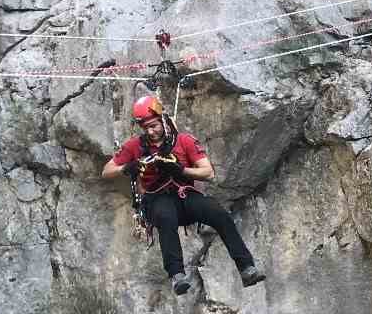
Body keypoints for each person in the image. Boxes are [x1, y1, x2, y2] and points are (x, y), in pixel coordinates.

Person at [102, 95, 266, 297]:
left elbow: (208, 173)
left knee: (218, 213)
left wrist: (181, 170)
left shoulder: (184, 141)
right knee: (165, 216)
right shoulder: (135, 146)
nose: (150, 131)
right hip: (157, 198)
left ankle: (246, 268)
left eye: (153, 126)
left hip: (185, 195)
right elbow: (107, 171)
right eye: (145, 128)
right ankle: (177, 275)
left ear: (163, 120)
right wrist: (128, 166)